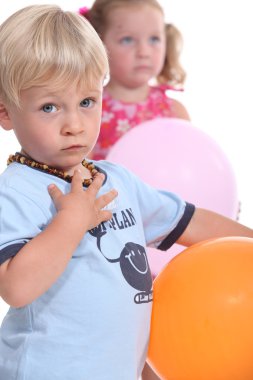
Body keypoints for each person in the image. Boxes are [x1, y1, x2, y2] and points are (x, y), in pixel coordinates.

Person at [0, 5, 252, 380]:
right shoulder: (18, 189)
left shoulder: (117, 181)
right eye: (49, 107)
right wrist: (71, 220)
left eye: (87, 102)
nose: (74, 125)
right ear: (5, 113)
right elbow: (16, 288)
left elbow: (190, 220)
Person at [79, 0, 191, 160]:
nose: (144, 52)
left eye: (154, 39)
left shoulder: (175, 112)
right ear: (98, 45)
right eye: (127, 40)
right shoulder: (87, 109)